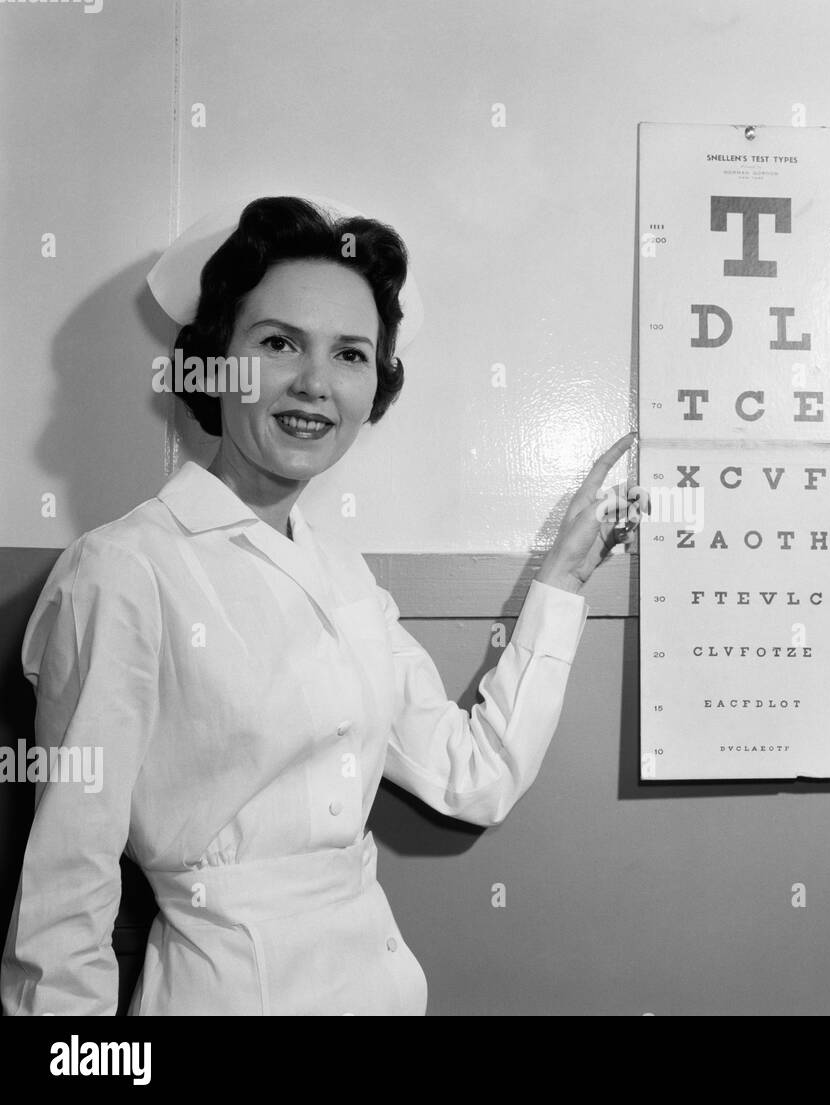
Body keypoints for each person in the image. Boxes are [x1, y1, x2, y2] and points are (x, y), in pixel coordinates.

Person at [0, 196, 642, 1015]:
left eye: (350, 354)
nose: (314, 383)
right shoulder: (124, 570)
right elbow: (63, 905)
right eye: (277, 343)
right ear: (212, 361)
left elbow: (474, 777)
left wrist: (562, 580)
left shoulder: (344, 575)